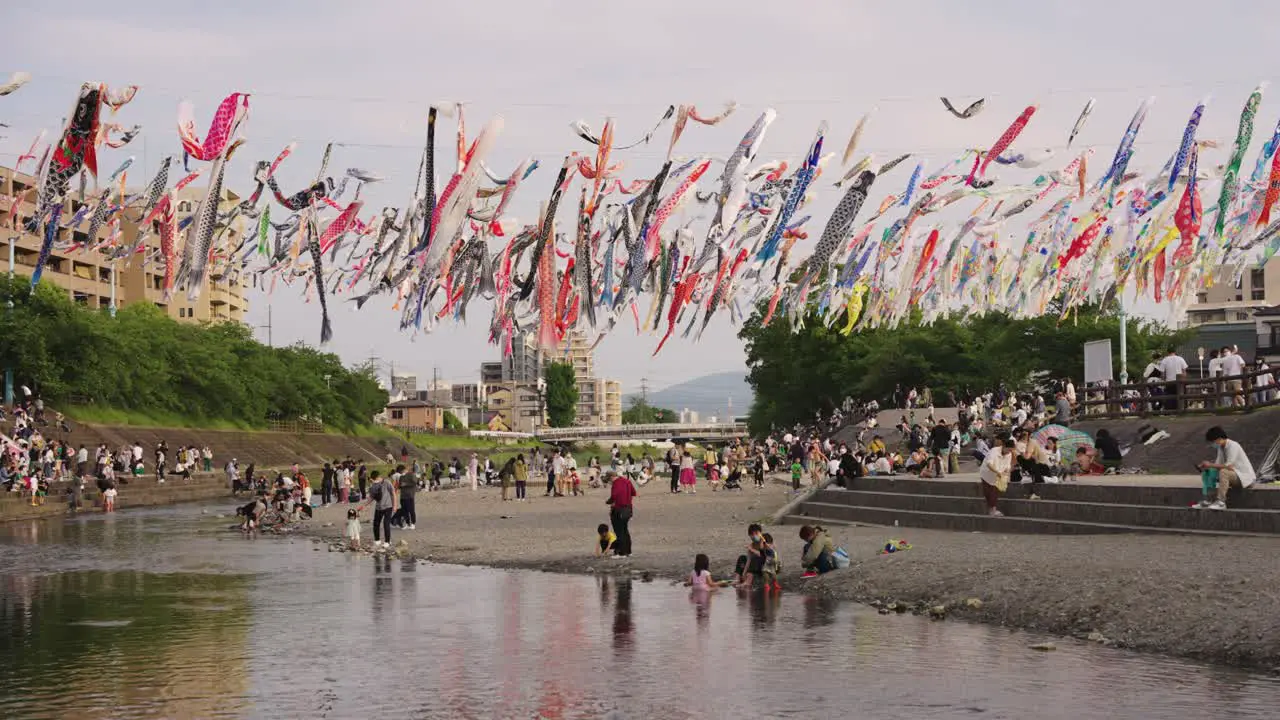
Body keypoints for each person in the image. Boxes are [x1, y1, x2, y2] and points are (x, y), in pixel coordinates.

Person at [1195, 426, 1257, 510]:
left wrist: (1210, 464)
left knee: (1223, 472)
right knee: (1208, 473)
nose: (1212, 444)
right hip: (1233, 475)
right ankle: (1208, 500)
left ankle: (1221, 502)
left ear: (1219, 438)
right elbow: (1217, 465)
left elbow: (1229, 466)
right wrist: (1207, 468)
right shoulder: (1221, 448)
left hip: (1244, 478)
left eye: (1213, 442)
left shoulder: (1233, 445)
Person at [979, 437, 1015, 517]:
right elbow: (989, 464)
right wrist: (997, 472)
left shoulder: (1009, 453)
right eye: (1008, 450)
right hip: (987, 474)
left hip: (998, 475)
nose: (1009, 452)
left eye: (1011, 450)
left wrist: (1007, 471)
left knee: (994, 492)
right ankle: (991, 510)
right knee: (988, 492)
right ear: (1004, 446)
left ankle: (993, 510)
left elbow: (1008, 465)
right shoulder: (994, 451)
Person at [363, 470, 396, 550]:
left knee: (386, 524)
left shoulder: (387, 482)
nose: (375, 481)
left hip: (388, 507)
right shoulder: (373, 485)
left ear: (379, 477)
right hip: (378, 507)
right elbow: (372, 497)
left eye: (376, 479)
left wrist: (395, 505)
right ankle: (377, 540)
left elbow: (393, 493)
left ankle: (387, 542)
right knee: (376, 524)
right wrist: (364, 505)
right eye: (374, 480)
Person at [606, 470, 636, 558]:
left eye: (609, 480)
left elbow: (614, 496)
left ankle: (621, 552)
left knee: (619, 531)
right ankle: (628, 551)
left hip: (619, 509)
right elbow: (633, 493)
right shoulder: (627, 481)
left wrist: (609, 501)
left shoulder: (616, 484)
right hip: (628, 509)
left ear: (611, 477)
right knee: (625, 530)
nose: (610, 482)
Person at [397, 465, 418, 529]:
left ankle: (413, 523)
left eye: (400, 471)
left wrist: (406, 484)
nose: (400, 473)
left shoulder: (411, 474)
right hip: (402, 496)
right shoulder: (401, 477)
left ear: (404, 469)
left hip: (410, 495)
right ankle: (407, 523)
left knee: (411, 510)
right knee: (404, 510)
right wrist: (400, 486)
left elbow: (415, 482)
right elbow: (400, 486)